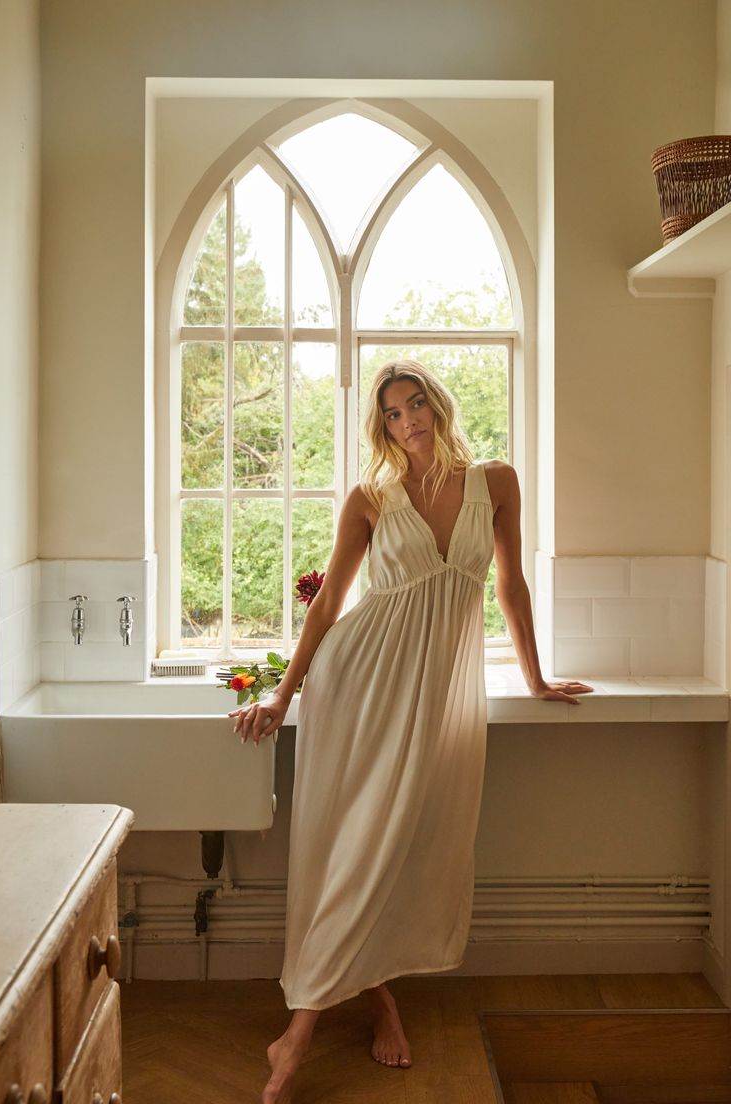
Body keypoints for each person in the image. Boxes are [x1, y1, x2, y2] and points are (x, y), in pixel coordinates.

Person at [228, 359, 593, 1104]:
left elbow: (510, 586)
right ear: (382, 427)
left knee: (403, 846)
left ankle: (375, 995)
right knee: (360, 848)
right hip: (358, 688)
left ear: (438, 403)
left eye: (415, 402)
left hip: (437, 698)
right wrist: (282, 696)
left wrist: (534, 678)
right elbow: (329, 605)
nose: (408, 420)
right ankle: (299, 1038)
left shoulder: (498, 482)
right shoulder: (371, 499)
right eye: (392, 413)